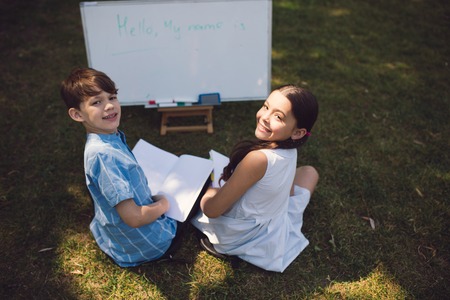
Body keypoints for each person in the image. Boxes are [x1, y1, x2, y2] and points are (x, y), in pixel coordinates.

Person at [191, 84, 319, 272]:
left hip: (242, 236)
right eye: (266, 107)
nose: (265, 117)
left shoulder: (257, 159)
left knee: (201, 191)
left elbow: (212, 210)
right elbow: (289, 190)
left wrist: (211, 189)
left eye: (278, 116)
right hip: (273, 220)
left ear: (298, 132)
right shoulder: (290, 148)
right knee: (310, 172)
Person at [60, 67, 179, 267]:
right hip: (148, 244)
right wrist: (163, 205)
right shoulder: (104, 155)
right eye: (97, 102)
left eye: (112, 97)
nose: (109, 106)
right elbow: (133, 218)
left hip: (120, 235)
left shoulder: (104, 139)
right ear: (77, 115)